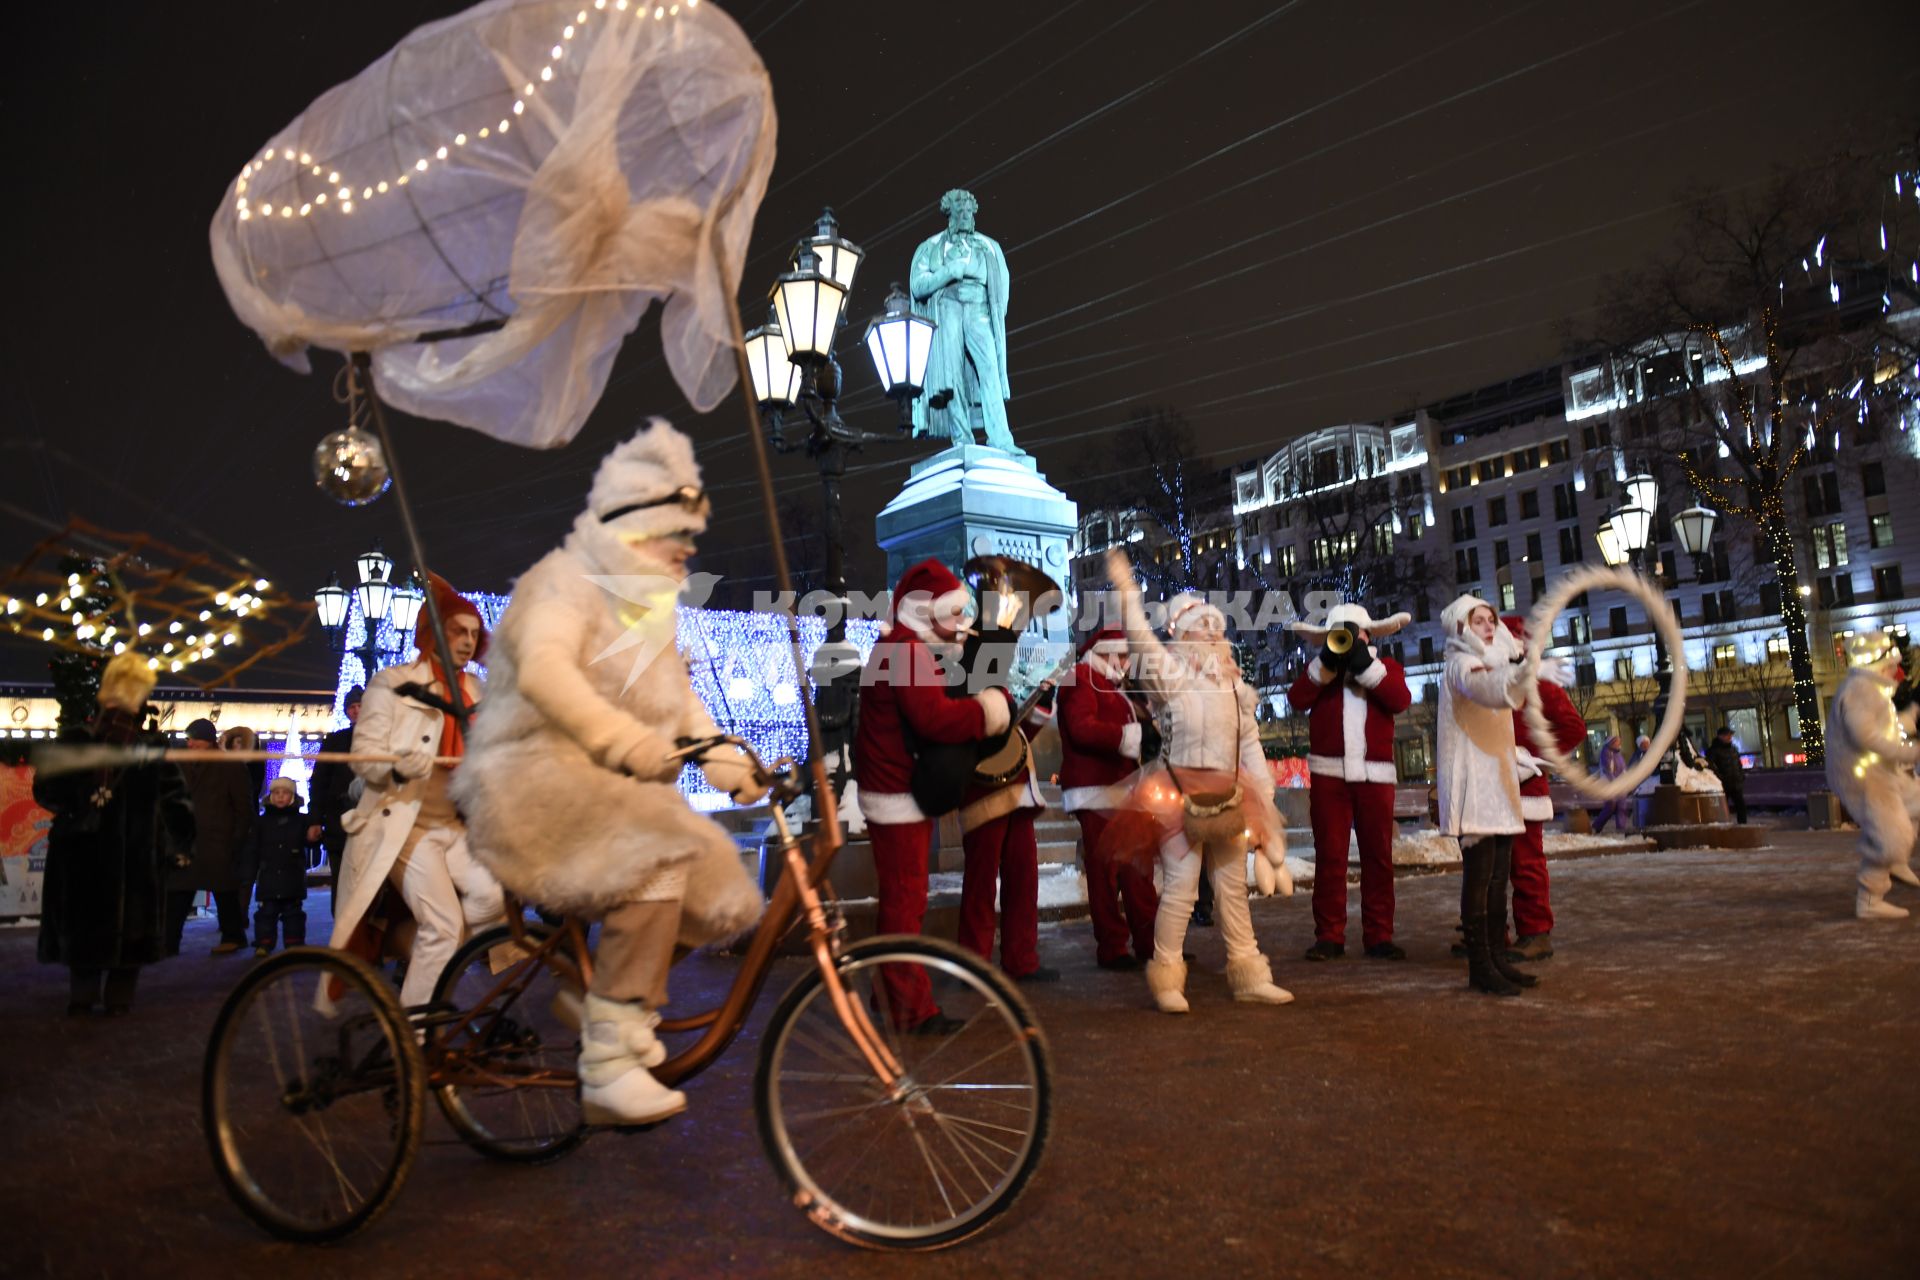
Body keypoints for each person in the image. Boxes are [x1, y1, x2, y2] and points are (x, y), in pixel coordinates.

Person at [454, 422, 777, 1126]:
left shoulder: (648, 617)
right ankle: (608, 1058)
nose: (686, 554)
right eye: (674, 537)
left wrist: (737, 768)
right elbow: (545, 672)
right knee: (655, 853)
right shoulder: (561, 584)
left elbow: (684, 710)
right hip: (533, 786)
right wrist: (624, 740)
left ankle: (609, 999)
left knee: (721, 891)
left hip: (607, 796)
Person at [1106, 550, 1293, 1014]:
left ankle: (1249, 973)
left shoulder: (1234, 687)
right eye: (1201, 627)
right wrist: (1129, 593)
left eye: (1216, 627)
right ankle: (1166, 975)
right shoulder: (1168, 677)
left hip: (1229, 794)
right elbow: (1140, 637)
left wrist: (1265, 803)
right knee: (1182, 887)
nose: (1211, 633)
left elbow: (1249, 745)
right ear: (1183, 636)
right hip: (1175, 794)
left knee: (1232, 889)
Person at [852, 557, 1013, 1034]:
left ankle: (889, 995)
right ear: (925, 611)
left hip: (894, 789)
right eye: (953, 614)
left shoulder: (902, 647)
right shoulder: (905, 651)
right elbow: (933, 719)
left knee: (902, 898)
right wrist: (987, 711)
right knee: (905, 903)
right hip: (896, 793)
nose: (960, 624)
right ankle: (911, 1009)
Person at [329, 575, 504, 1010]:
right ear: (432, 633)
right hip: (404, 826)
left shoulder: (478, 691)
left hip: (456, 827)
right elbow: (363, 760)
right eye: (457, 631)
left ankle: (412, 948)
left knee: (493, 897)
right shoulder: (390, 683)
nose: (467, 642)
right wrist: (398, 765)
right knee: (443, 927)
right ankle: (416, 1033)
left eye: (474, 634)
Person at [34, 652, 194, 1014]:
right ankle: (88, 996)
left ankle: (107, 997)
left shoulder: (148, 747)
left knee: (118, 930)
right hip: (91, 853)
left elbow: (176, 800)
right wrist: (79, 796)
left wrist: (180, 841)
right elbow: (46, 789)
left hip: (124, 855)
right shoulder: (79, 740)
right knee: (92, 929)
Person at [1436, 595, 1551, 997]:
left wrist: (1518, 668)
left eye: (1490, 619)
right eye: (1478, 620)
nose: (1487, 625)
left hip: (1497, 785)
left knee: (1499, 875)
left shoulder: (1495, 664)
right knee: (1480, 876)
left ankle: (1497, 958)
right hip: (1474, 789)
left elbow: (1503, 694)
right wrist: (1521, 672)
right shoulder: (1461, 664)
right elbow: (1486, 689)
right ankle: (1480, 965)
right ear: (1460, 628)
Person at [1287, 603, 1413, 962]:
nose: (1347, 639)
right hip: (1330, 776)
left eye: (1354, 633)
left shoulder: (1386, 668)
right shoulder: (1322, 672)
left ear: (1368, 635)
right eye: (1339, 633)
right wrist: (1324, 666)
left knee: (1378, 858)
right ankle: (1329, 935)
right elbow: (1296, 699)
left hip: (1375, 775)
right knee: (1330, 859)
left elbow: (1400, 699)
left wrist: (1366, 667)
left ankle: (1379, 935)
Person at [1057, 627, 1158, 970]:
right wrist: (1128, 736)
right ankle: (1113, 948)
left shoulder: (1113, 687)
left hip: (1124, 789)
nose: (1127, 664)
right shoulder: (1080, 678)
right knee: (1105, 873)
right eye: (1123, 656)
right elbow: (1081, 727)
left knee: (1138, 870)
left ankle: (1151, 943)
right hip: (1096, 789)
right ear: (1106, 653)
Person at [958, 684, 1058, 983]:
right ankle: (975, 964)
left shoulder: (1000, 680)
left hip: (1018, 792)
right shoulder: (960, 681)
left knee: (1024, 879)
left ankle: (1021, 959)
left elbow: (1016, 737)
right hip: (982, 794)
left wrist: (1039, 706)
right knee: (981, 883)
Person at [1501, 615, 1585, 963]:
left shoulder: (1540, 686)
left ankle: (1535, 932)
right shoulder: (1485, 682)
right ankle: (1493, 930)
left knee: (1525, 863)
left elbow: (1573, 728)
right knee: (1488, 867)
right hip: (1488, 789)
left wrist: (1529, 759)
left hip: (1524, 790)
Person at [1823, 631, 1920, 920]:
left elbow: (1884, 731)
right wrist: (1911, 753)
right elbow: (1865, 736)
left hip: (1880, 771)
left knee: (1915, 805)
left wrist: (1910, 716)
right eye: (1893, 664)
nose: (1897, 670)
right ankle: (1870, 899)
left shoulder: (1873, 690)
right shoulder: (1862, 689)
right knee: (1892, 838)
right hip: (1865, 777)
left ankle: (1895, 862)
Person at [909, 188, 1015, 451]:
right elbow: (918, 285)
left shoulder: (990, 246)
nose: (966, 216)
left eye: (969, 211)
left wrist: (992, 314)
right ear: (951, 216)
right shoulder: (931, 246)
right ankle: (961, 437)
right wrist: (947, 273)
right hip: (948, 308)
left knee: (989, 368)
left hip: (979, 308)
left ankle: (1001, 438)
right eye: (960, 212)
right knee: (951, 373)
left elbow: (1002, 287)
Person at [167, 717, 257, 955]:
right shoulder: (182, 765)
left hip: (218, 839)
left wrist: (236, 839)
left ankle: (233, 935)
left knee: (224, 891)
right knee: (178, 890)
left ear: (208, 741)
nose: (191, 744)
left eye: (196, 739)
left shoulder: (231, 766)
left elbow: (243, 806)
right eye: (189, 739)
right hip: (188, 839)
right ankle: (168, 940)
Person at [308, 685, 363, 898]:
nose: (356, 710)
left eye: (360, 706)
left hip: (371, 818)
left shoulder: (384, 739)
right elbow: (320, 781)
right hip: (338, 819)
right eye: (352, 707)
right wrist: (315, 819)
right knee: (341, 882)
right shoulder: (335, 741)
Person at [248, 777, 312, 956]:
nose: (280, 797)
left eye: (285, 793)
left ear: (292, 796)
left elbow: (310, 841)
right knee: (266, 914)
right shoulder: (262, 822)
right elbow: (253, 847)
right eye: (276, 793)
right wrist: (250, 872)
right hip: (268, 877)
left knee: (293, 915)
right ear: (270, 796)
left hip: (292, 877)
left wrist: (313, 836)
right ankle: (264, 943)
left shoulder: (300, 820)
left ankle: (294, 943)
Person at [1706, 726, 1748, 824]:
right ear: (1721, 736)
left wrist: (1741, 776)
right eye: (1727, 735)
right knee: (1722, 808)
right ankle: (1722, 827)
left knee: (1741, 807)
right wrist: (1721, 778)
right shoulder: (1714, 750)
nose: (1730, 737)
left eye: (1730, 735)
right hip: (1723, 785)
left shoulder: (1733, 749)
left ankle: (1743, 827)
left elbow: (1738, 764)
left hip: (1736, 784)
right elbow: (1710, 767)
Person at [1592, 735, 1629, 832]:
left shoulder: (1618, 754)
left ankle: (1621, 828)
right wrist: (1614, 782)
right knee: (1610, 806)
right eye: (1616, 742)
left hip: (1620, 785)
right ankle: (1596, 826)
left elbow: (1623, 768)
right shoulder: (1606, 753)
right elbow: (1607, 770)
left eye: (1619, 742)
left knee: (1621, 806)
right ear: (1611, 743)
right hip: (1609, 784)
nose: (1618, 744)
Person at [222, 725, 266, 804]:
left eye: (239, 742)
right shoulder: (224, 763)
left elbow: (250, 788)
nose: (234, 745)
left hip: (246, 807)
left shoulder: (255, 763)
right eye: (232, 742)